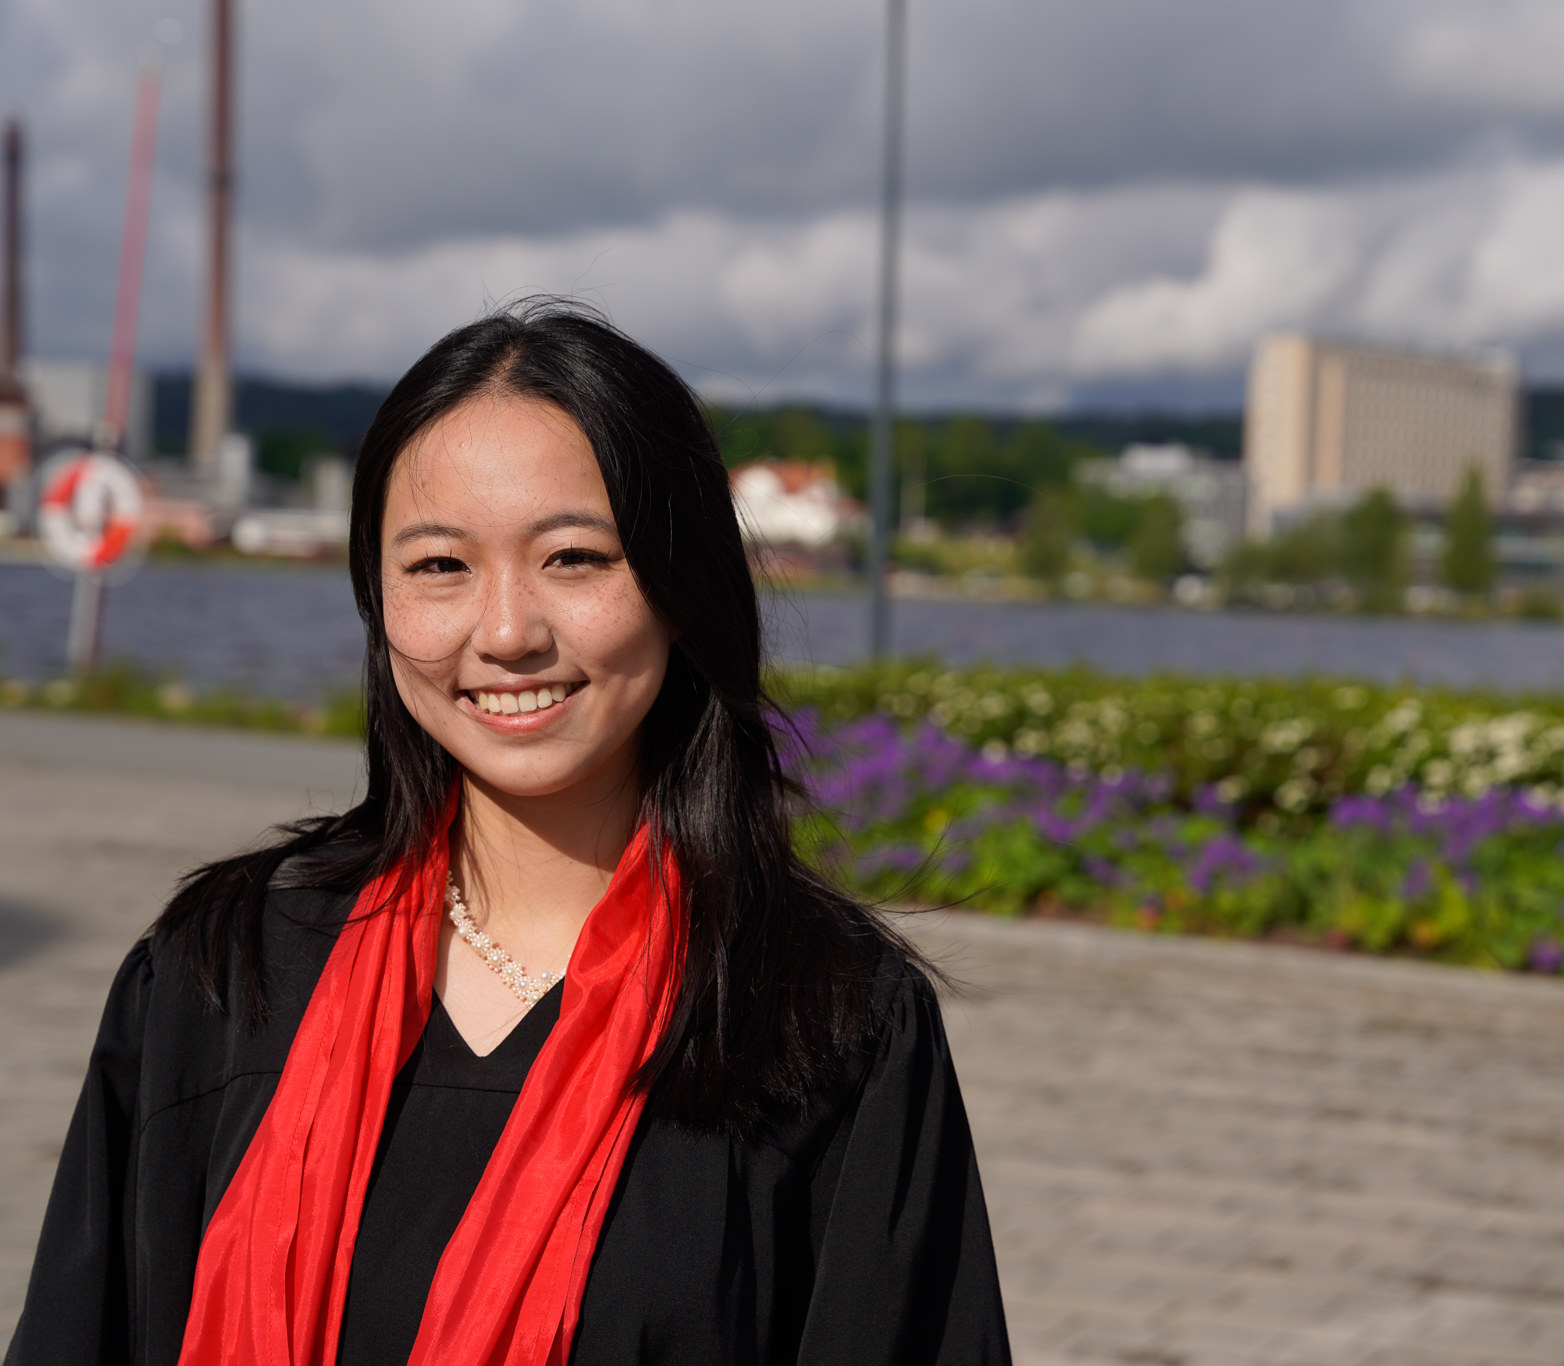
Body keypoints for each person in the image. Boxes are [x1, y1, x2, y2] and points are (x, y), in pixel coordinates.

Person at [6, 301, 1011, 1366]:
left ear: (681, 586)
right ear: (377, 600)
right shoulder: (222, 977)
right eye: (440, 565)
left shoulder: (822, 1023)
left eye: (574, 558)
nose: (506, 633)